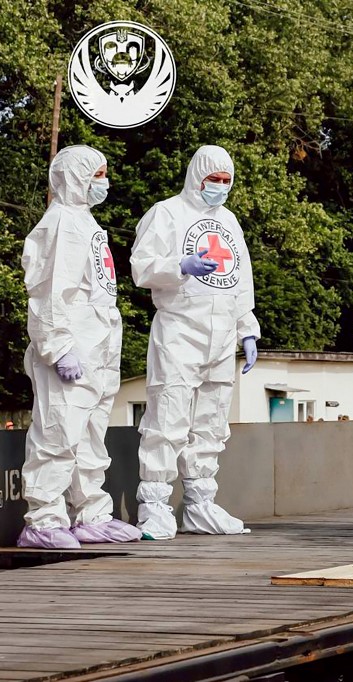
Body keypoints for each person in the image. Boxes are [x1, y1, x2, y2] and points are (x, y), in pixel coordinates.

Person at [131, 145, 260, 540]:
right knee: (168, 418)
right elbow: (141, 266)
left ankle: (200, 505)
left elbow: (240, 279)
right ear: (196, 176)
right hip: (180, 331)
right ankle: (154, 506)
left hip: (221, 337)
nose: (220, 187)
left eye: (226, 181)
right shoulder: (166, 213)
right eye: (213, 180)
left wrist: (247, 327)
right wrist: (178, 267)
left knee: (211, 421)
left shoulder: (230, 222)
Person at [18, 145, 142, 549]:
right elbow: (49, 291)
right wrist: (57, 347)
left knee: (90, 437)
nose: (104, 182)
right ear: (76, 176)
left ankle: (90, 514)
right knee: (57, 432)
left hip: (98, 349)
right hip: (72, 348)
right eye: (98, 174)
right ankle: (43, 519)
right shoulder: (59, 225)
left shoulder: (85, 222)